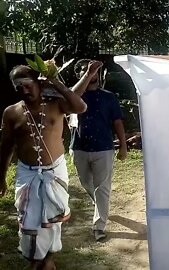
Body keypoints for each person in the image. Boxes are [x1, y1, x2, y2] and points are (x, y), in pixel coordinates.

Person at [0, 65, 88, 269]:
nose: (24, 91)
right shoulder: (11, 112)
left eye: (27, 85)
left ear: (38, 83)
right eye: (18, 87)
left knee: (51, 218)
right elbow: (6, 146)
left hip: (54, 171)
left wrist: (55, 81)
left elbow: (80, 107)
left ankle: (47, 258)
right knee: (28, 218)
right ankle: (35, 259)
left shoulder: (57, 104)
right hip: (27, 174)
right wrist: (1, 175)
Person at [71, 59, 127, 241]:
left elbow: (117, 122)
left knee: (102, 188)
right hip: (79, 148)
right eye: (84, 70)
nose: (90, 73)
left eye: (93, 70)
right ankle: (101, 206)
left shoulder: (108, 97)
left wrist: (123, 146)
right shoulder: (74, 96)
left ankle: (99, 226)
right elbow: (70, 99)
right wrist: (87, 75)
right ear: (79, 74)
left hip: (103, 148)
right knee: (86, 183)